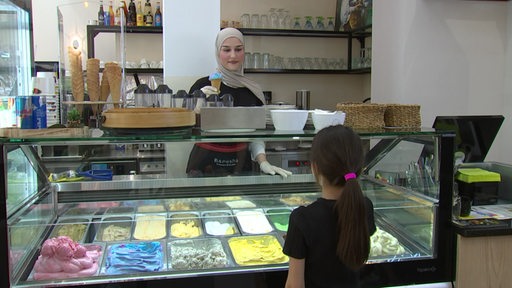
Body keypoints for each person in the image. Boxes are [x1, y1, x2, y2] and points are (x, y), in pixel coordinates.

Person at [186, 27, 291, 178]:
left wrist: (263, 161)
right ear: (218, 52)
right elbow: (186, 129)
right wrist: (195, 108)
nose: (233, 55)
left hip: (242, 165)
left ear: (244, 52)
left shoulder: (252, 90)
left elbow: (256, 135)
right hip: (204, 165)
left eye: (238, 49)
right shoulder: (202, 86)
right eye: (226, 50)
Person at [283, 125, 376, 288]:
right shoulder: (365, 206)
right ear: (359, 168)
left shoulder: (302, 219)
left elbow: (294, 285)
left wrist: (297, 238)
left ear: (315, 168)